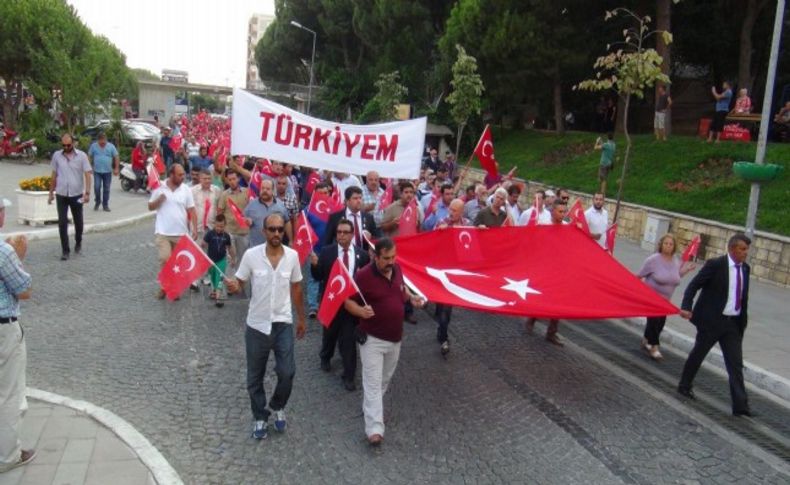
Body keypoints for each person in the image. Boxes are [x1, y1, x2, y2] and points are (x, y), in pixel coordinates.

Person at [226, 213, 306, 439]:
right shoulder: (251, 256)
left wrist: (301, 319)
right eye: (272, 229)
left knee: (287, 372)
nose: (276, 233)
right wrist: (234, 287)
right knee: (255, 376)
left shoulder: (292, 256)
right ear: (264, 232)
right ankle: (260, 416)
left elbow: (297, 288)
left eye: (280, 229)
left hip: (282, 323)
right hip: (257, 326)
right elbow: (240, 282)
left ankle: (277, 406)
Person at [343, 238, 426, 446]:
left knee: (384, 380)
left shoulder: (397, 269)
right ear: (375, 257)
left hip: (395, 338)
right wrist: (361, 311)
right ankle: (374, 429)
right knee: (372, 383)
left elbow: (401, 290)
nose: (391, 261)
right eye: (386, 258)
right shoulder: (363, 276)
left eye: (393, 257)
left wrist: (411, 299)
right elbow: (347, 301)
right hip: (372, 339)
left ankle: (371, 408)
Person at [677, 234, 752, 416]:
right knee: (698, 354)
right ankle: (684, 385)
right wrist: (687, 306)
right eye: (742, 249)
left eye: (747, 249)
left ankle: (741, 406)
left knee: (735, 364)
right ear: (732, 249)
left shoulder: (745, 269)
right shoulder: (715, 265)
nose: (745, 253)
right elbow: (693, 285)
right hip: (712, 322)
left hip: (732, 324)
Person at [310, 219, 370, 390]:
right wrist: (314, 266)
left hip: (351, 305)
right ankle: (325, 356)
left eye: (345, 232)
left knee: (348, 341)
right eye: (339, 232)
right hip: (332, 302)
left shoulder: (362, 255)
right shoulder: (327, 252)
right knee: (329, 335)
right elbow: (318, 276)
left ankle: (349, 375)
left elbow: (365, 280)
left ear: (352, 235)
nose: (341, 236)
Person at [0, 198, 35, 473]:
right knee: (9, 393)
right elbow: (24, 289)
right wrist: (18, 257)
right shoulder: (4, 252)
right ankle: (8, 456)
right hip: (4, 328)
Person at [636, 234, 696, 360]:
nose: (668, 246)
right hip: (652, 298)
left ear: (674, 247)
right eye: (666, 243)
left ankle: (646, 340)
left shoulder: (675, 260)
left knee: (660, 324)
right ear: (661, 245)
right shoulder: (653, 260)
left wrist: (686, 270)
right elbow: (639, 275)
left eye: (671, 244)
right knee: (654, 321)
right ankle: (655, 347)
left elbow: (675, 277)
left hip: (665, 301)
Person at [148, 163, 198, 300]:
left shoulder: (186, 189)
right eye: (180, 174)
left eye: (183, 174)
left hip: (181, 233)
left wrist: (194, 228)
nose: (183, 177)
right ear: (171, 175)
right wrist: (159, 200)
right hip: (163, 231)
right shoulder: (159, 187)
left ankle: (172, 287)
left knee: (177, 264)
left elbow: (191, 210)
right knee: (165, 258)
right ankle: (164, 286)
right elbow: (150, 206)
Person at [524, 200, 568, 346]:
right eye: (560, 211)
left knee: (558, 302)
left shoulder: (568, 228)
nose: (562, 214)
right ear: (553, 211)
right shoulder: (544, 226)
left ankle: (552, 332)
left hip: (560, 270)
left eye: (564, 211)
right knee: (541, 297)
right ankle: (532, 318)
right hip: (545, 269)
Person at [432, 199, 471, 355]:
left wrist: (481, 230)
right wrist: (439, 232)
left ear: (462, 212)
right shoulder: (442, 222)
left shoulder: (467, 224)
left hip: (457, 271)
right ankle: (443, 333)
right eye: (451, 209)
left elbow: (474, 240)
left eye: (455, 210)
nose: (451, 213)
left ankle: (443, 334)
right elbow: (431, 241)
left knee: (447, 306)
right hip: (442, 270)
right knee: (443, 305)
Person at [48, 133, 93, 261]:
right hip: (61, 194)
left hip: (76, 194)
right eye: (63, 145)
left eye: (68, 145)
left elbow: (87, 175)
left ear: (73, 143)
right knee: (62, 223)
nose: (66, 147)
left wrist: (87, 193)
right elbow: (54, 174)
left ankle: (78, 241)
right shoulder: (57, 155)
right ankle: (65, 250)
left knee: (79, 222)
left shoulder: (82, 156)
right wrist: (51, 193)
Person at [324, 186, 378, 251]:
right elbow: (327, 241)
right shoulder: (335, 218)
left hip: (364, 257)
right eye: (355, 198)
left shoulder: (368, 217)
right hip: (343, 256)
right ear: (347, 201)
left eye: (360, 198)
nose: (359, 201)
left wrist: (370, 238)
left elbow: (377, 238)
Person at [243, 179, 292, 248]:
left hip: (274, 247)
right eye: (262, 188)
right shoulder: (251, 204)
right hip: (256, 247)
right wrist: (247, 221)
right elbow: (242, 218)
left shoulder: (280, 205)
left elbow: (287, 222)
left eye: (268, 189)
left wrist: (291, 240)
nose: (264, 191)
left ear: (273, 191)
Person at [217, 169, 250, 264]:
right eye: (230, 179)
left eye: (234, 179)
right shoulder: (224, 195)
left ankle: (241, 279)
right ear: (227, 180)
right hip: (229, 232)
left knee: (243, 259)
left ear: (238, 179)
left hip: (244, 232)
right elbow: (220, 213)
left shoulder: (247, 192)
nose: (232, 181)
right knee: (231, 260)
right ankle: (230, 278)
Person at [87, 132, 120, 212]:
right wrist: (89, 167)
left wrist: (116, 168)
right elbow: (89, 156)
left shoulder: (111, 146)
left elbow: (116, 157)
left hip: (107, 171)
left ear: (106, 140)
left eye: (104, 141)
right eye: (101, 141)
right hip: (97, 171)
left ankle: (105, 204)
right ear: (98, 140)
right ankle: (97, 201)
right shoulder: (93, 146)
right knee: (97, 187)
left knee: (107, 189)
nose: (103, 143)